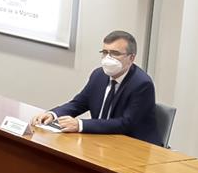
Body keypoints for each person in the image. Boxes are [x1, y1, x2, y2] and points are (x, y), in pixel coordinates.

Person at [31, 30, 160, 144]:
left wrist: (80, 124)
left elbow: (126, 124)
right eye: (105, 52)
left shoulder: (142, 84)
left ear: (131, 58)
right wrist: (53, 114)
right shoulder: (99, 75)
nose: (108, 58)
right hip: (102, 141)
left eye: (115, 53)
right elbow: (79, 103)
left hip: (133, 146)